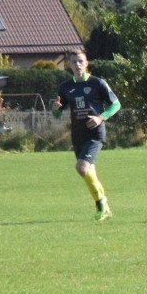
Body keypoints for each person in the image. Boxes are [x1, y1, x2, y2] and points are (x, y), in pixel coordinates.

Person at [50, 49, 121, 221]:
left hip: (95, 133)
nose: (77, 65)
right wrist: (56, 110)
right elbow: (59, 113)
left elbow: (116, 104)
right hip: (78, 134)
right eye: (74, 62)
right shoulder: (65, 87)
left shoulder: (98, 83)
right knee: (90, 173)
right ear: (69, 65)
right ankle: (105, 208)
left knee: (81, 168)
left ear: (87, 62)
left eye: (80, 61)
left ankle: (100, 203)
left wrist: (100, 117)